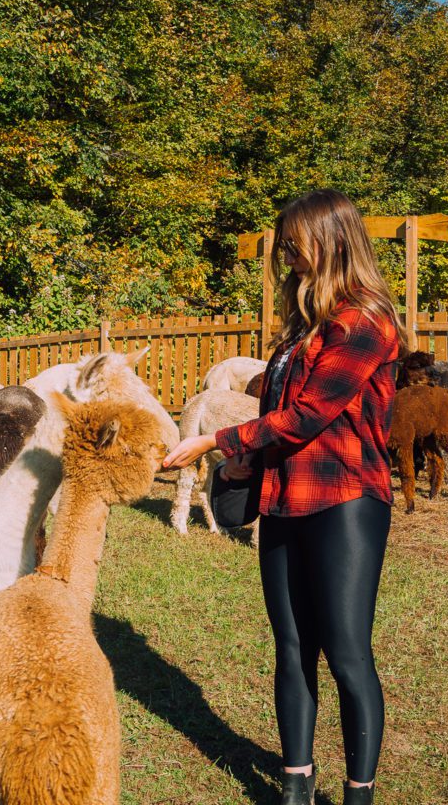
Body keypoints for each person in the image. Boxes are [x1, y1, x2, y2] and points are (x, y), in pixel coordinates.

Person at [162, 189, 404, 805]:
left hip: (346, 499)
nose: (289, 250)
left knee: (347, 653)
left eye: (297, 239)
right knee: (292, 646)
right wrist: (245, 464)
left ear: (332, 237)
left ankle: (358, 793)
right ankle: (295, 785)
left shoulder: (366, 318)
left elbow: (309, 414)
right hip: (283, 498)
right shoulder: (303, 327)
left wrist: (214, 440)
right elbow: (277, 412)